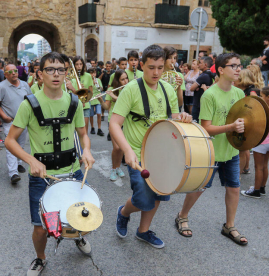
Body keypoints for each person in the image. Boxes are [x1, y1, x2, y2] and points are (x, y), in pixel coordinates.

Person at [4, 52, 95, 275]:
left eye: (61, 70)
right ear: (41, 74)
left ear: (66, 74)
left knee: (78, 216)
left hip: (72, 172)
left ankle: (77, 237)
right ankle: (40, 258)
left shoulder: (74, 101)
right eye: (50, 69)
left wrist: (87, 150)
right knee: (42, 226)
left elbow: (83, 134)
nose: (56, 74)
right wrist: (30, 160)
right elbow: (10, 140)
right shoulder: (30, 104)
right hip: (42, 177)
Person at [110, 45, 192, 249]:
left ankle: (143, 231)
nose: (156, 73)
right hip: (137, 153)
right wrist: (127, 150)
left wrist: (184, 118)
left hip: (162, 153)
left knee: (158, 194)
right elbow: (114, 123)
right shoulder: (130, 89)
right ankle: (124, 212)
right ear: (141, 65)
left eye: (159, 68)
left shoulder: (168, 90)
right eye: (151, 68)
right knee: (143, 198)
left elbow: (173, 121)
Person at [177, 53, 248, 246]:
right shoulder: (209, 95)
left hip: (231, 150)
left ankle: (229, 225)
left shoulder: (240, 94)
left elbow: (242, 122)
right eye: (233, 65)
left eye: (239, 65)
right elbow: (206, 128)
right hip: (211, 151)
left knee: (234, 188)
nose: (238, 69)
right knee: (200, 187)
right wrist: (231, 127)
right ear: (221, 69)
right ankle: (182, 216)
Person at [0, 64, 32, 184]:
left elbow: (31, 99)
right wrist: (4, 116)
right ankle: (13, 173)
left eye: (15, 70)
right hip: (10, 121)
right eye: (10, 72)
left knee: (20, 144)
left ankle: (19, 163)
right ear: (5, 74)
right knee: (10, 146)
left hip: (23, 121)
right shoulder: (1, 87)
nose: (14, 73)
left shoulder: (24, 84)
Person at [241, 86, 269, 198]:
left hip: (262, 142)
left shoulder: (268, 111)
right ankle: (262, 187)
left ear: (268, 97)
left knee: (258, 167)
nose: (260, 97)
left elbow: (260, 127)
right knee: (264, 166)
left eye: (262, 96)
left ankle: (256, 190)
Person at [97, 69, 128, 181]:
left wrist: (114, 97)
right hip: (114, 121)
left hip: (126, 121)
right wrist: (101, 100)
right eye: (122, 79)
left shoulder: (129, 89)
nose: (125, 81)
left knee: (122, 148)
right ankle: (113, 169)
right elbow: (106, 107)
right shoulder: (111, 90)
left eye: (126, 78)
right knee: (117, 147)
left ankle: (118, 167)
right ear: (117, 81)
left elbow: (125, 102)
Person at [69, 56, 93, 133]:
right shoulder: (70, 77)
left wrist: (84, 90)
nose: (79, 66)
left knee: (84, 131)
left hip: (85, 105)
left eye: (81, 64)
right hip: (74, 104)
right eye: (77, 64)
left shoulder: (88, 76)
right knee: (74, 130)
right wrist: (75, 90)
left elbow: (90, 92)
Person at [190, 56, 214, 122]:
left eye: (200, 63)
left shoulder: (203, 76)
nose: (198, 65)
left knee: (196, 123)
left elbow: (191, 88)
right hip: (204, 103)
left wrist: (196, 87)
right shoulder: (211, 74)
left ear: (205, 65)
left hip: (198, 104)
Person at [88, 68, 104, 136]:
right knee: (91, 115)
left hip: (98, 98)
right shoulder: (88, 81)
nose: (93, 75)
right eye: (91, 73)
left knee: (98, 113)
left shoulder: (98, 80)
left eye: (94, 73)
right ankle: (92, 127)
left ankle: (99, 129)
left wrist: (97, 84)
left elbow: (101, 89)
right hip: (91, 99)